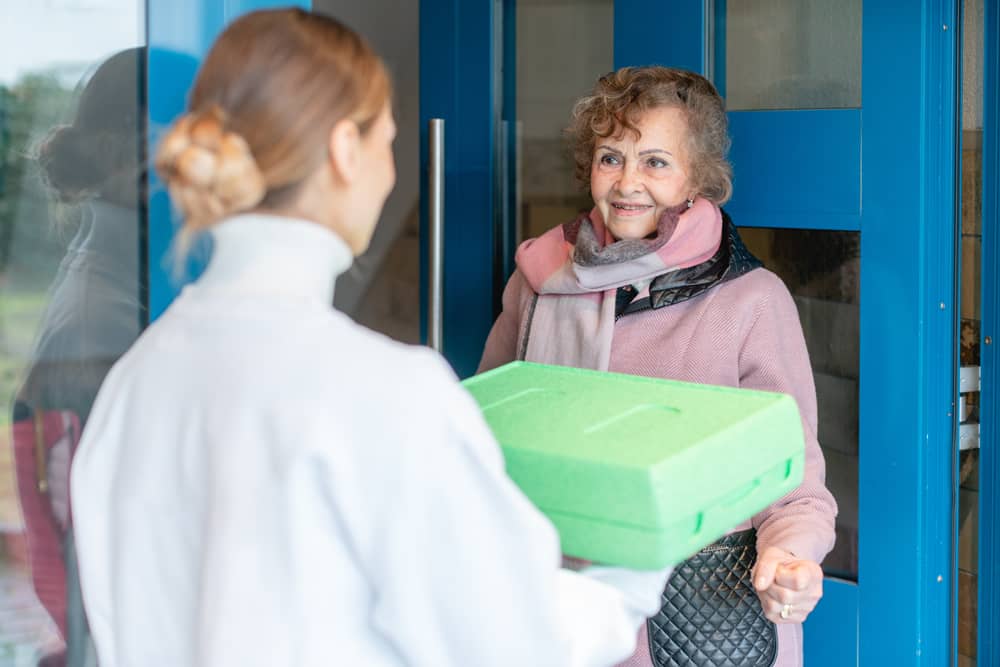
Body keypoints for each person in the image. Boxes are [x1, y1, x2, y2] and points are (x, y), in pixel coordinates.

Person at [69, 9, 674, 667]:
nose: (391, 176)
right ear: (343, 150)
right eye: (388, 141)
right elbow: (518, 639)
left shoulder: (135, 381)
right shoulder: (382, 392)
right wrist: (639, 555)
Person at [478, 66, 838, 667]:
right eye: (610, 158)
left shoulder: (751, 300)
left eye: (656, 162)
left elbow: (794, 485)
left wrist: (791, 560)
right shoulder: (538, 281)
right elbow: (488, 441)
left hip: (696, 624)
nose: (627, 182)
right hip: (555, 616)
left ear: (699, 180)